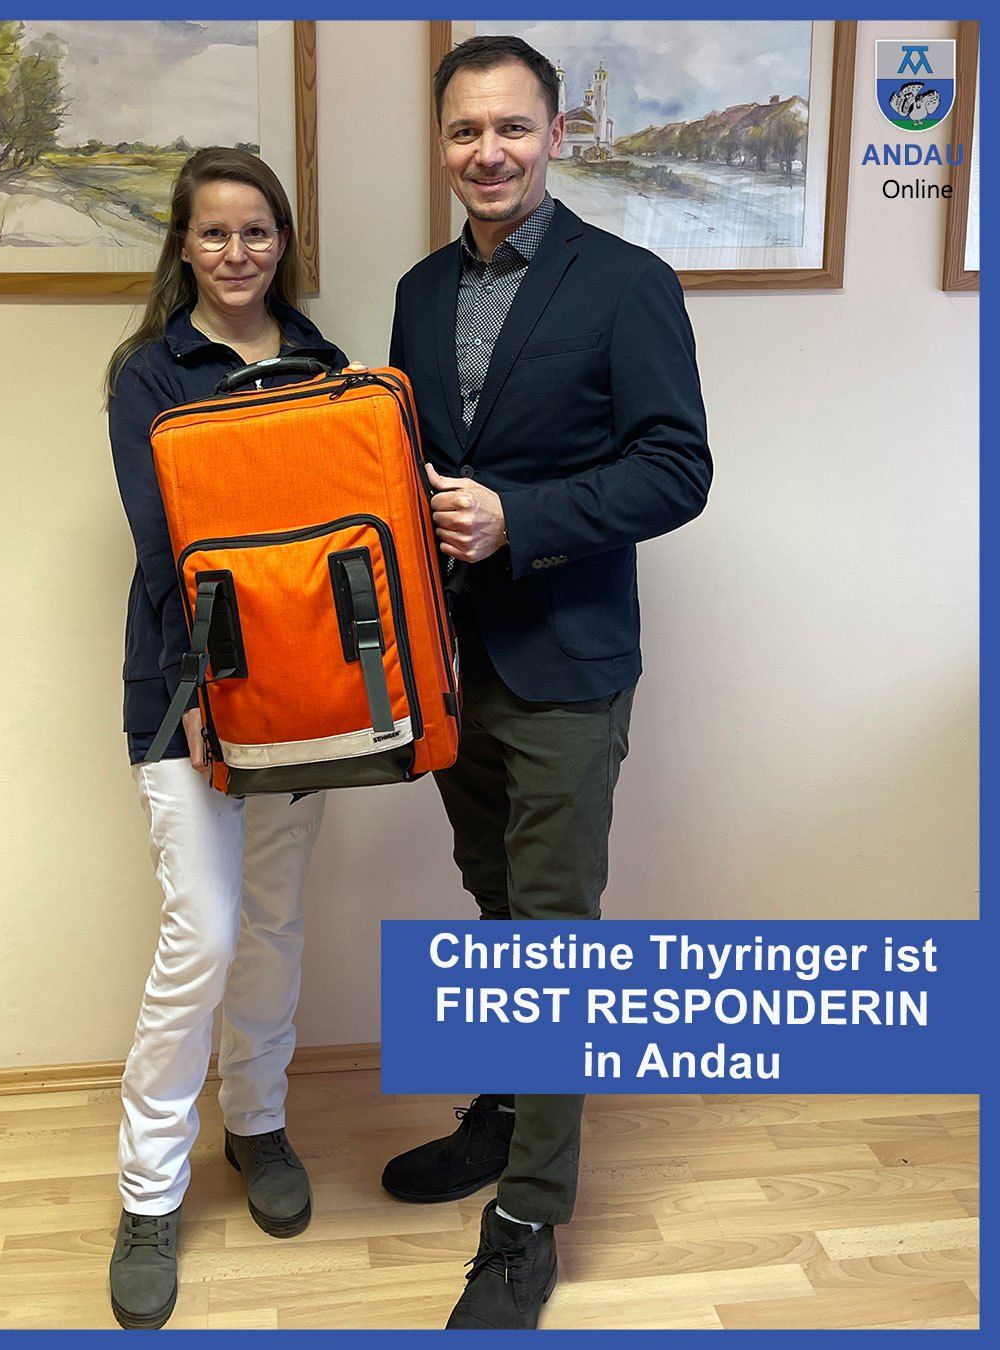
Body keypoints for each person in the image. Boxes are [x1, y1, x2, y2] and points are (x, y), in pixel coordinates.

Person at [382, 36, 712, 1330]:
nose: (488, 152)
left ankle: (527, 1214)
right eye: (465, 131)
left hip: (570, 660)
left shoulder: (628, 283)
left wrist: (523, 516)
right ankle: (510, 1102)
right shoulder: (416, 292)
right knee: (498, 899)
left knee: (556, 934)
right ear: (444, 141)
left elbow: (677, 469)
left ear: (555, 133)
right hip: (449, 665)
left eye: (511, 128)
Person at [104, 147, 348, 1331]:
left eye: (257, 233)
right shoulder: (149, 372)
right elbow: (169, 544)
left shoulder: (323, 364)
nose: (238, 255)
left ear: (281, 240)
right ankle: (149, 1192)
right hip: (185, 694)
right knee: (200, 936)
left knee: (272, 924)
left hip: (308, 701)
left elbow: (342, 539)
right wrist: (202, 689)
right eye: (215, 235)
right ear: (183, 246)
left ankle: (256, 1125)